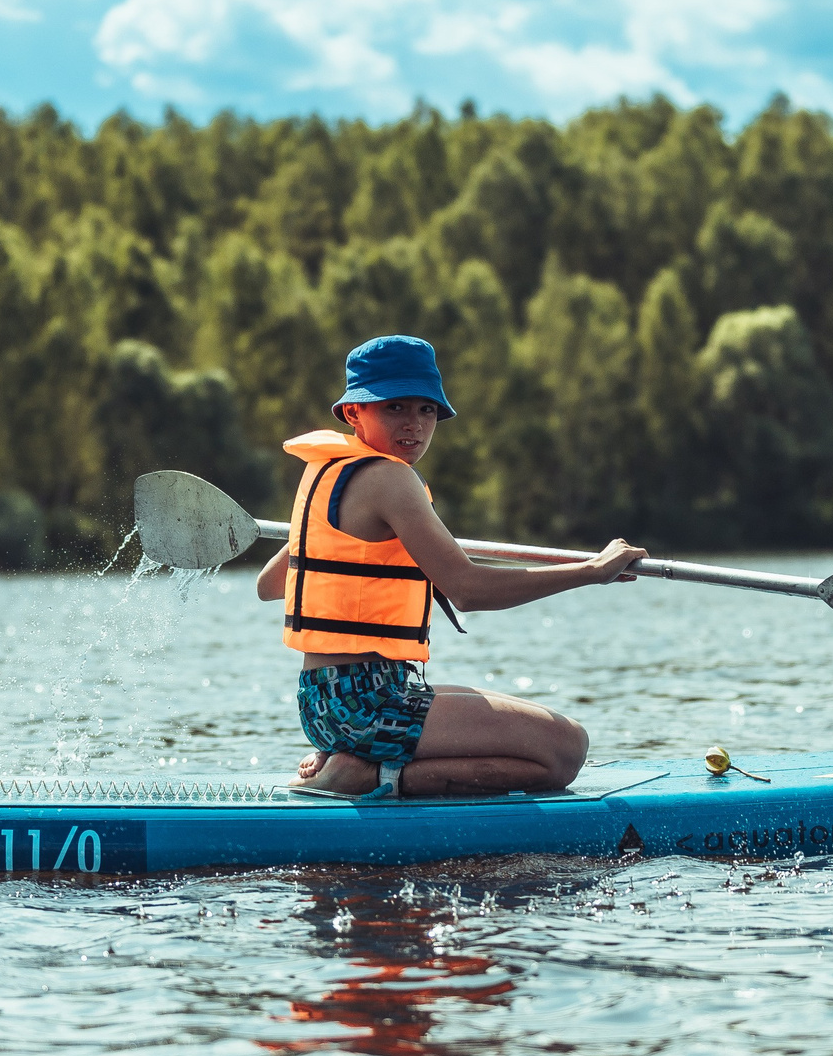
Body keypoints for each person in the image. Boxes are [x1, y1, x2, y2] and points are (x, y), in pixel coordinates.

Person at [254, 335, 645, 799]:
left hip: (324, 702)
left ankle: (355, 754)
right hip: (368, 702)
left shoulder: (325, 474)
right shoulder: (390, 479)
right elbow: (467, 590)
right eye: (394, 407)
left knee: (542, 730)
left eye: (427, 410)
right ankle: (370, 776)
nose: (414, 425)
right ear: (354, 413)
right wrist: (591, 571)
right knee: (565, 750)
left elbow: (271, 584)